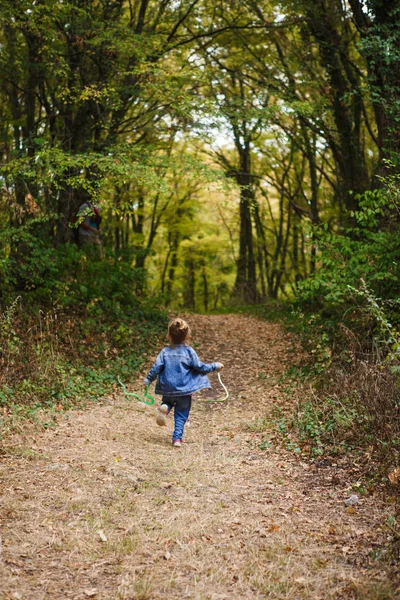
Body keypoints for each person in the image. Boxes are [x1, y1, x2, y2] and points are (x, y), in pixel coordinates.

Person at [144, 318, 224, 447]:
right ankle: (176, 439)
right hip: (185, 390)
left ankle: (166, 408)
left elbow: (156, 367)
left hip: (168, 389)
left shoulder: (165, 352)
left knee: (167, 402)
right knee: (181, 414)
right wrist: (215, 366)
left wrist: (148, 379)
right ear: (187, 335)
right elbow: (200, 367)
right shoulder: (189, 351)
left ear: (169, 335)